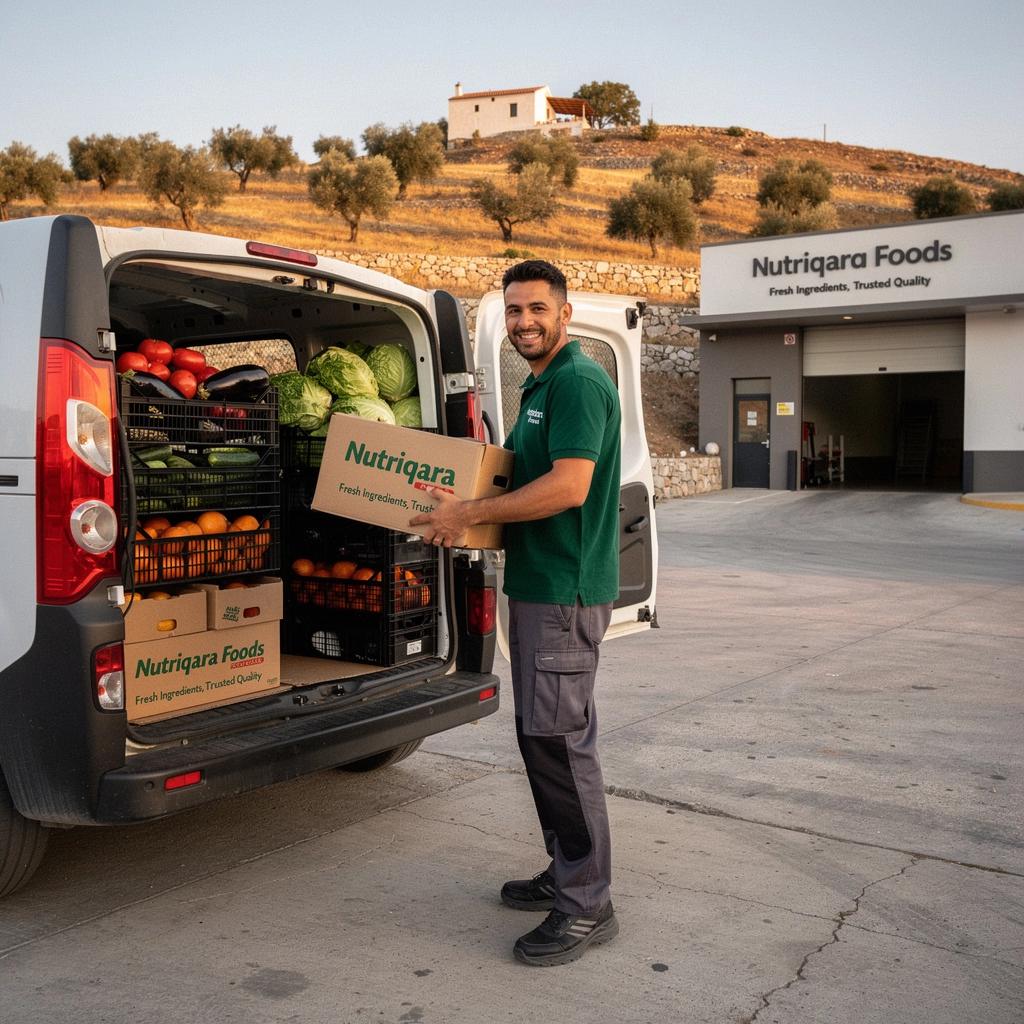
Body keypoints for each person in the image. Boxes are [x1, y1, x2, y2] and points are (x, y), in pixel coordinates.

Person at [410, 259, 621, 967]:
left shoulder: (579, 382)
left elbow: (568, 487)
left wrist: (468, 512)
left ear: (566, 311)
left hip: (564, 591)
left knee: (561, 746)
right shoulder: (540, 385)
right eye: (515, 311)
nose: (525, 321)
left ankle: (587, 902)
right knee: (541, 739)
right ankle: (568, 870)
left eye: (537, 308)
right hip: (538, 587)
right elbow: (523, 472)